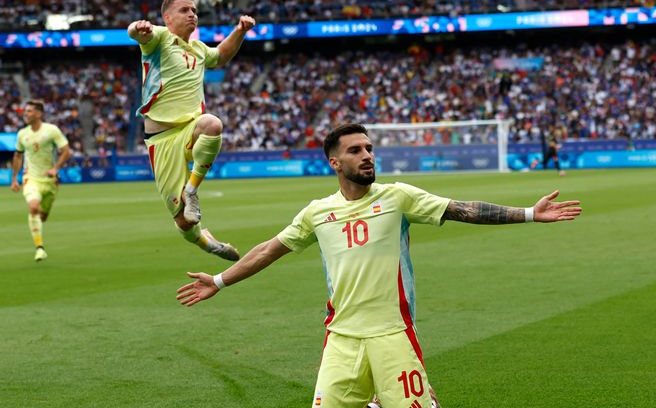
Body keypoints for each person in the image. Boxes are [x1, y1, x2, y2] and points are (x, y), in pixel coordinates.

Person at [176, 124, 582, 408]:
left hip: (393, 335)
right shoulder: (318, 212)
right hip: (341, 339)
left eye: (369, 149)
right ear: (335, 163)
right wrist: (219, 279)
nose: (367, 156)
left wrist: (528, 213)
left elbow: (462, 209)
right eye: (356, 150)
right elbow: (269, 249)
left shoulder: (397, 197)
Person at [127, 0, 256, 261]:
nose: (192, 14)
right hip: (161, 140)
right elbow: (138, 36)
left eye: (194, 10)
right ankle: (205, 241)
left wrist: (240, 31)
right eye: (185, 10)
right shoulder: (160, 38)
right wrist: (138, 28)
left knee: (212, 123)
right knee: (184, 222)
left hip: (191, 130)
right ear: (167, 18)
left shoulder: (198, 49)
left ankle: (192, 188)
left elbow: (220, 56)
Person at [10, 100, 70, 261]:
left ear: (38, 113)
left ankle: (40, 225)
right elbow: (18, 155)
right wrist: (14, 178)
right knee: (33, 206)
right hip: (31, 178)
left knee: (42, 217)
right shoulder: (22, 134)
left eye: (29, 111)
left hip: (50, 181)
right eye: (25, 111)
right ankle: (40, 248)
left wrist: (55, 168)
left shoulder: (51, 130)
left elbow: (66, 151)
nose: (26, 114)